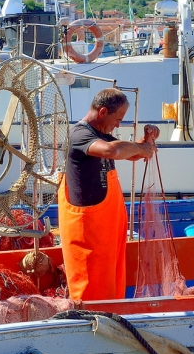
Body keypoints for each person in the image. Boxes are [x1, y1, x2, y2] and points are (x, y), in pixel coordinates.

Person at [59, 88, 159, 301]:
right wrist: (140, 148)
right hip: (88, 230)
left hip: (106, 228)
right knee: (91, 291)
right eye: (118, 119)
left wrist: (145, 143)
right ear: (103, 112)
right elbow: (111, 151)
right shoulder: (81, 134)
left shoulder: (101, 134)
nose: (118, 124)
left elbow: (126, 153)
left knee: (111, 287)